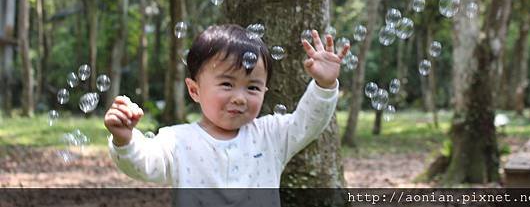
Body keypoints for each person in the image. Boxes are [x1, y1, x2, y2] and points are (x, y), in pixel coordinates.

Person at [104, 24, 350, 188]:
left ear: (265, 91)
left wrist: (324, 84)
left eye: (252, 87)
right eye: (226, 84)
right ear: (194, 90)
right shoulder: (176, 141)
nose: (240, 97)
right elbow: (144, 165)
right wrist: (125, 140)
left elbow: (309, 122)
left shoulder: (271, 136)